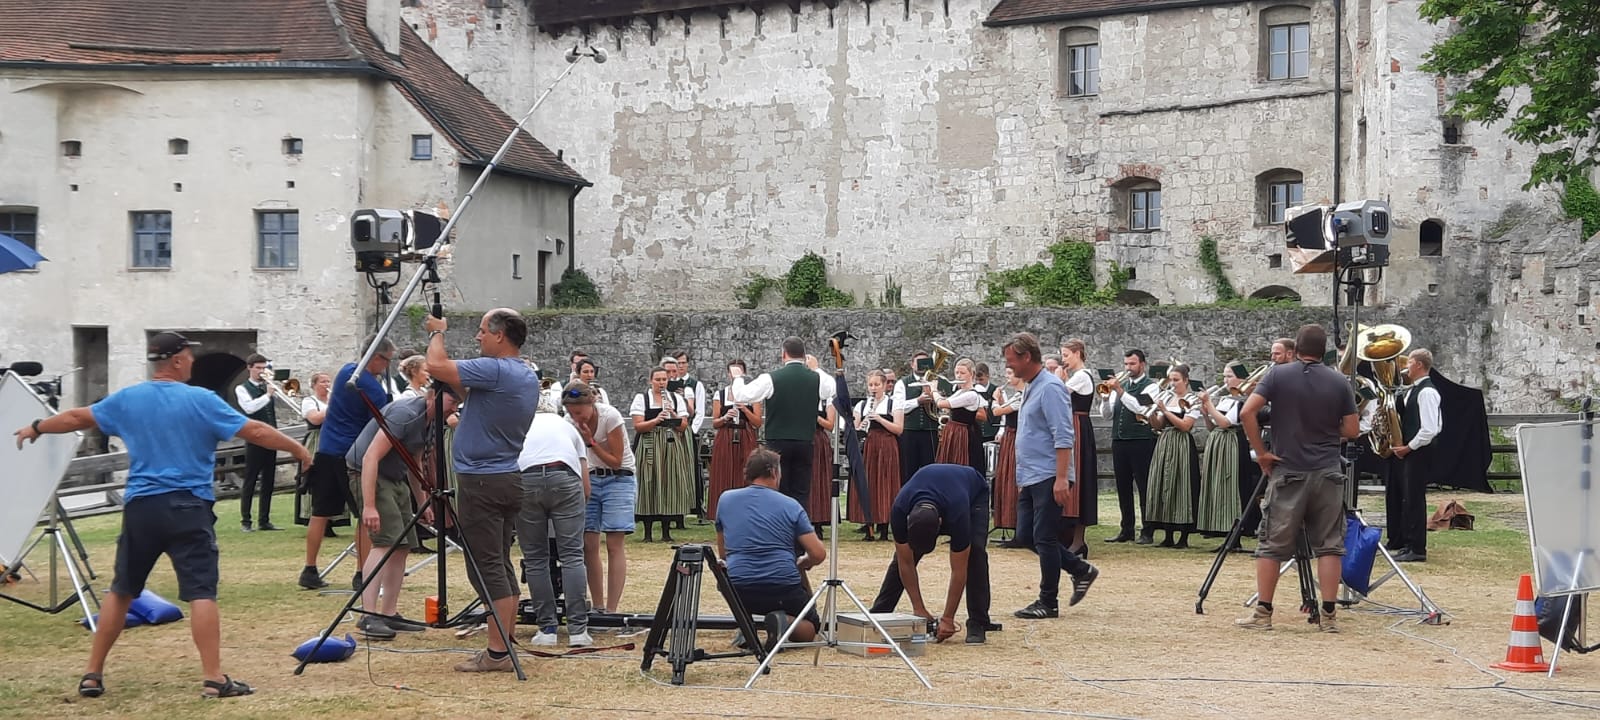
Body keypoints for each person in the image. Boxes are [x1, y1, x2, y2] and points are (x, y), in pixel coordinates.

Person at [15, 331, 311, 699]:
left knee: (122, 590)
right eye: (188, 356)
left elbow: (76, 416)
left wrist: (37, 427)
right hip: (188, 505)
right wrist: (300, 451)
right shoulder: (201, 399)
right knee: (201, 591)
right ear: (175, 360)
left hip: (142, 506)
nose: (191, 361)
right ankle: (214, 678)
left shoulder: (129, 399)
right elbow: (255, 430)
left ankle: (92, 674)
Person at [424, 308, 541, 672]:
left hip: (482, 482)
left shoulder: (496, 370)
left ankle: (497, 653)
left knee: (486, 568)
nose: (477, 338)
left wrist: (436, 332)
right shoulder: (524, 374)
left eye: (481, 332)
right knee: (499, 565)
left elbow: (436, 366)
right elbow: (465, 389)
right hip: (506, 477)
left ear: (500, 335)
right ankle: (503, 645)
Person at [1237, 324, 1359, 633]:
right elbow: (1353, 430)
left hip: (1289, 468)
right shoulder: (1339, 381)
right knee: (1330, 545)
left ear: (1297, 349)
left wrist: (1262, 452)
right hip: (1329, 470)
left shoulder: (1278, 375)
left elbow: (1247, 413)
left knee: (1272, 543)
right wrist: (1328, 433)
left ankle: (1263, 613)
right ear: (1323, 350)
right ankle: (1329, 616)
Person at [1004, 333, 1100, 619]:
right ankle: (1080, 569)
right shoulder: (1033, 386)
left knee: (1044, 537)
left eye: (1011, 360)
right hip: (1032, 475)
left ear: (1026, 357)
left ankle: (1048, 601)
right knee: (1026, 534)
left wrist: (1061, 477)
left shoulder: (1051, 388)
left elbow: (1064, 434)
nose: (1009, 366)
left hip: (1048, 474)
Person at [346, 384, 451, 639]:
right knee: (384, 542)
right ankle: (369, 616)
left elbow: (414, 461)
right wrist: (369, 505)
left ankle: (389, 613)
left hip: (395, 477)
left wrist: (422, 501)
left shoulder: (431, 421)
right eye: (452, 399)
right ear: (432, 396)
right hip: (369, 473)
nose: (455, 406)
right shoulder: (405, 413)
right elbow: (371, 456)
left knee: (402, 545)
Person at [301, 337, 396, 591]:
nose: (387, 367)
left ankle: (309, 568)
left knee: (320, 512)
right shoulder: (373, 391)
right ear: (377, 357)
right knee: (364, 514)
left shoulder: (345, 372)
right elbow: (376, 427)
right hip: (350, 455)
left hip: (327, 450)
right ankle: (361, 573)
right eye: (387, 361)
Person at [868, 463, 994, 644]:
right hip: (937, 488)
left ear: (942, 524)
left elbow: (959, 570)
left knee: (975, 552)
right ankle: (881, 611)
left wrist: (948, 618)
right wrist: (918, 608)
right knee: (901, 558)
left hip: (973, 491)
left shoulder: (958, 514)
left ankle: (978, 622)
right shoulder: (899, 510)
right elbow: (905, 563)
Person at [715, 448, 827, 646]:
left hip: (739, 585)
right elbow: (818, 553)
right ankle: (783, 623)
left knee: (728, 579)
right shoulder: (790, 505)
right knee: (810, 627)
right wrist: (802, 563)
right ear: (775, 473)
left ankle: (746, 624)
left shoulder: (725, 499)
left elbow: (724, 553)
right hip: (782, 584)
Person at [518, 383, 593, 648]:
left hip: (526, 479)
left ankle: (547, 629)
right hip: (565, 476)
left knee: (536, 558)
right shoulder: (568, 427)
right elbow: (586, 484)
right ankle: (578, 631)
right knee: (573, 555)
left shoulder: (521, 426)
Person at [727, 337, 835, 517]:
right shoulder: (816, 378)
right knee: (801, 492)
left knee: (777, 490)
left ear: (783, 354)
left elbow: (741, 394)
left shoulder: (771, 378)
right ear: (804, 355)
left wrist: (738, 378)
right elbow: (831, 389)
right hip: (804, 442)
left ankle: (778, 534)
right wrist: (816, 368)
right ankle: (799, 538)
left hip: (778, 442)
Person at [571, 377, 636, 614]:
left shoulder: (610, 416)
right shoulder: (570, 421)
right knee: (589, 543)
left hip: (619, 477)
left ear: (592, 403)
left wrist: (590, 441)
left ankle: (612, 609)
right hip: (590, 477)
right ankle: (597, 606)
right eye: (571, 412)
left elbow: (617, 461)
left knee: (614, 542)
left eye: (580, 411)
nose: (577, 417)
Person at [1389, 349, 1442, 563]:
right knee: (1407, 497)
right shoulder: (1413, 389)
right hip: (1412, 451)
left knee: (1415, 499)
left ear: (1419, 365)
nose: (1405, 366)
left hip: (1419, 451)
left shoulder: (1427, 392)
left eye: (1409, 362)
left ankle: (1418, 548)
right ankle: (1408, 542)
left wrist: (1408, 447)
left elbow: (1429, 429)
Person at [1101, 349, 1158, 544]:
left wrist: (1119, 391)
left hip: (1141, 441)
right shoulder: (1122, 386)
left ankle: (1148, 530)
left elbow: (1140, 409)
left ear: (1142, 365)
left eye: (1132, 364)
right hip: (1119, 441)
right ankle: (1126, 529)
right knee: (1123, 486)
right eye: (1126, 364)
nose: (1128, 368)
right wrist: (1105, 398)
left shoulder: (1151, 387)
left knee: (1143, 486)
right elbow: (1107, 416)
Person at [1197, 363, 1257, 542]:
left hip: (1232, 444)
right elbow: (1212, 427)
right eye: (1224, 376)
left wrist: (1209, 403)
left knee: (1233, 487)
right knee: (1220, 486)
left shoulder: (1243, 400)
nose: (1225, 380)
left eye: (1229, 376)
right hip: (1219, 444)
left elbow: (1225, 423)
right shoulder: (1225, 399)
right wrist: (1206, 414)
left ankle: (1237, 532)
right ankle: (1221, 528)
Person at [632, 366, 693, 542]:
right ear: (651, 381)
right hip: (649, 444)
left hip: (670, 444)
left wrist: (672, 414)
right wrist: (656, 420)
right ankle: (648, 533)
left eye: (664, 380)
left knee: (669, 484)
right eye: (658, 380)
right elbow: (638, 426)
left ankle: (667, 532)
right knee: (648, 484)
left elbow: (683, 427)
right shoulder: (641, 399)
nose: (661, 383)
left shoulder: (676, 398)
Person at [1144, 365, 1202, 548]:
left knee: (1181, 485)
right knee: (1163, 485)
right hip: (1165, 442)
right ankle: (1167, 534)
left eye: (1176, 380)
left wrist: (1166, 411)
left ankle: (1183, 536)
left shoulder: (1192, 399)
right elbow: (1159, 425)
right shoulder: (1167, 397)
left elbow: (1186, 426)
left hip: (1181, 444)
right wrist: (1151, 412)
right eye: (1171, 379)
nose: (1173, 383)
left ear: (1185, 380)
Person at [849, 369, 902, 541]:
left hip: (887, 445)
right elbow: (854, 430)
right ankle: (869, 527)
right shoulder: (862, 406)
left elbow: (898, 429)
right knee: (869, 483)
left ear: (885, 385)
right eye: (871, 385)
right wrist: (861, 427)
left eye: (877, 385)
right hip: (869, 446)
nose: (874, 388)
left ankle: (885, 527)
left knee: (886, 484)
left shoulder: (894, 404)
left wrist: (879, 419)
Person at [1059, 340, 1100, 557]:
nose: (1064, 359)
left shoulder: (1082, 376)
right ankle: (1069, 536)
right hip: (1071, 424)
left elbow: (1060, 394)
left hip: (1078, 427)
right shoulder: (1076, 377)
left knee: (1080, 478)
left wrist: (1058, 377)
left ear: (1077, 353)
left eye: (1066, 355)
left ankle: (1078, 540)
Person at [708, 360, 762, 520]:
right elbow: (715, 423)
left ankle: (748, 511)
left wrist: (744, 408)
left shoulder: (753, 394)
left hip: (745, 434)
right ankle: (722, 512)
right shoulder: (721, 394)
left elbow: (757, 422)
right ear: (728, 374)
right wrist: (725, 417)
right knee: (724, 471)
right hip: (726, 435)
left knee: (746, 470)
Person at [235, 353, 283, 532]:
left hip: (271, 438)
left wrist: (277, 392)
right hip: (254, 438)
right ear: (250, 368)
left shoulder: (267, 387)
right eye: (258, 368)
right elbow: (249, 407)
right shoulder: (242, 388)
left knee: (269, 481)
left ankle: (264, 520)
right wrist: (268, 395)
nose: (262, 372)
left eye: (264, 368)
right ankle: (246, 521)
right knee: (251, 480)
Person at [893, 351, 944, 484]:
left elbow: (946, 406)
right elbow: (898, 407)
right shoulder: (902, 383)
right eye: (919, 363)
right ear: (912, 365)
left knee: (932, 470)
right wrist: (918, 401)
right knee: (908, 470)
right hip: (909, 433)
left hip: (931, 432)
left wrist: (935, 395)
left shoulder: (937, 382)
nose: (922, 366)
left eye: (925, 363)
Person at [933, 358, 988, 477]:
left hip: (963, 435)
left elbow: (942, 403)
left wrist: (933, 390)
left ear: (972, 374)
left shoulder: (971, 394)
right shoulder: (960, 392)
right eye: (957, 373)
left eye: (962, 373)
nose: (958, 376)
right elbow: (946, 403)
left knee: (962, 465)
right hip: (954, 432)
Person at [990, 367, 1026, 547]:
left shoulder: (1022, 395)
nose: (1007, 378)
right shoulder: (1016, 395)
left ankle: (1020, 530)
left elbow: (997, 412)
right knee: (1006, 480)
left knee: (1014, 480)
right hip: (1010, 438)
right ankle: (1011, 525)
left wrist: (995, 400)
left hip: (1016, 439)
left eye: (1010, 374)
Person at [805, 354, 839, 531]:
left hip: (818, 439)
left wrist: (815, 417)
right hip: (802, 436)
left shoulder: (827, 399)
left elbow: (830, 424)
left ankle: (819, 521)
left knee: (819, 479)